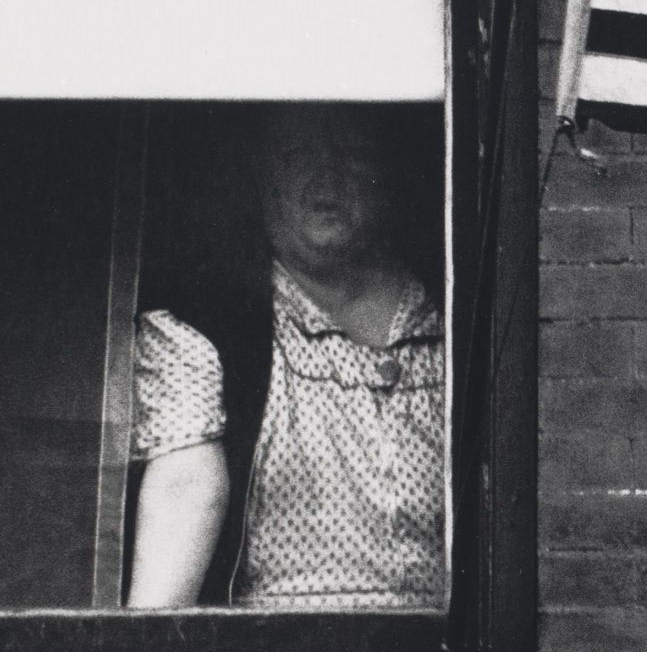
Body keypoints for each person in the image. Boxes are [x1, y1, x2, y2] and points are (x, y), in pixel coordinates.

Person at [125, 107, 445, 609]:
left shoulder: (455, 320)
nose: (327, 177)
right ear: (260, 170)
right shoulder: (208, 329)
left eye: (352, 153)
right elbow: (183, 489)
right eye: (299, 154)